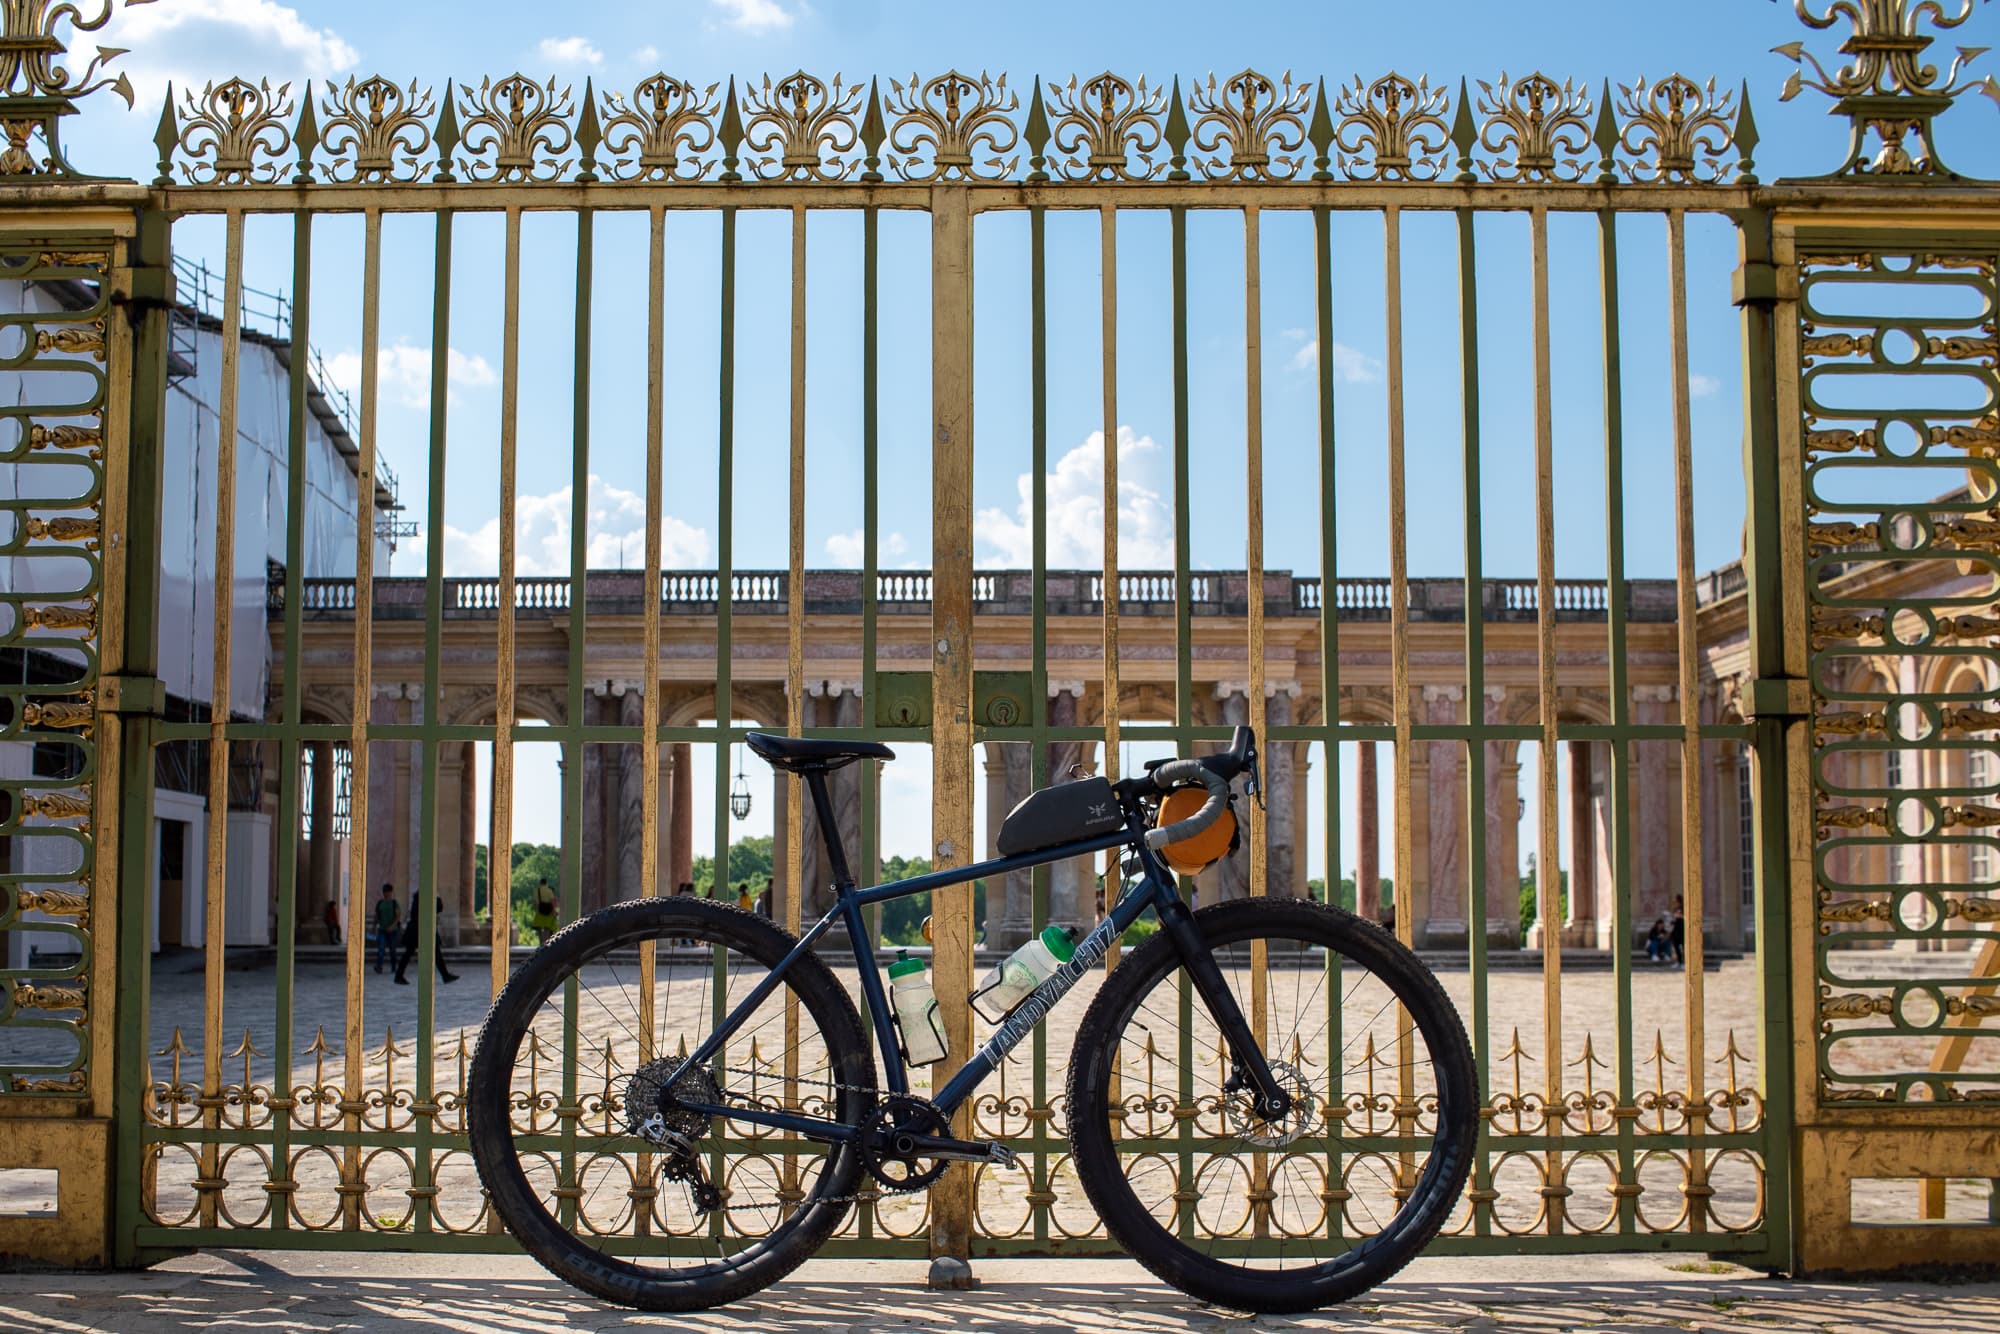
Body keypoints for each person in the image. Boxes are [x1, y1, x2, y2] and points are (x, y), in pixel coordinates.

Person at [394, 891, 459, 985]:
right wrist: (437, 896)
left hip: (417, 929)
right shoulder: (426, 897)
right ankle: (445, 975)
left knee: (412, 953)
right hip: (421, 929)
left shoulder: (417, 898)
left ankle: (399, 975)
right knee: (429, 952)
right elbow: (439, 907)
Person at [372, 883, 400, 975]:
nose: (387, 893)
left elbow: (398, 916)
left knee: (392, 950)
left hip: (393, 930)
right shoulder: (380, 903)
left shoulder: (394, 903)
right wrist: (373, 926)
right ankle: (379, 967)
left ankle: (393, 967)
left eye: (388, 892)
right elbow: (376, 916)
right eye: (385, 892)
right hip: (382, 929)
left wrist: (392, 926)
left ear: (391, 892)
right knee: (381, 948)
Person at [528, 878, 558, 945]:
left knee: (539, 927)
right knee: (547, 927)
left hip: (540, 911)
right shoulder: (549, 890)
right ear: (546, 883)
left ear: (540, 883)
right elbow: (552, 901)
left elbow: (535, 902)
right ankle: (546, 942)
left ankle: (541, 942)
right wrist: (554, 911)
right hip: (549, 911)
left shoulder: (537, 891)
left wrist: (536, 910)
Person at [1668, 895, 1686, 968]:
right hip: (1675, 930)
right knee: (1676, 946)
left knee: (1684, 946)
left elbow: (1686, 917)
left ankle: (1685, 963)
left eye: (1675, 901)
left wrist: (1680, 916)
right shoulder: (1675, 909)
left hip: (1682, 929)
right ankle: (1679, 962)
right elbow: (1674, 919)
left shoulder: (1684, 908)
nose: (1674, 902)